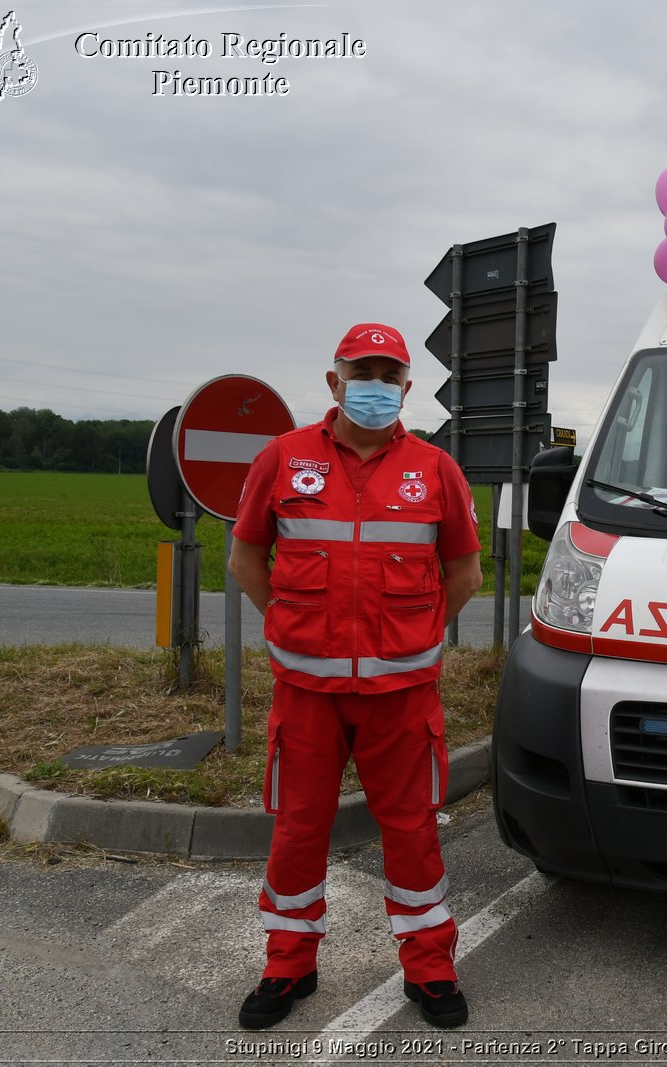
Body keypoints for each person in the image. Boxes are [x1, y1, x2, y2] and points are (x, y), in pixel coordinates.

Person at [228, 323, 483, 1030]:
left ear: (405, 387)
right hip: (306, 695)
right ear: (334, 382)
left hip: (402, 699)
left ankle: (429, 967)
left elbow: (464, 575)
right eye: (360, 372)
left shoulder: (436, 470)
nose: (374, 385)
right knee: (298, 830)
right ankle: (288, 964)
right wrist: (291, 625)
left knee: (412, 832)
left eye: (388, 374)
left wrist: (416, 635)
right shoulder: (282, 459)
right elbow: (247, 561)